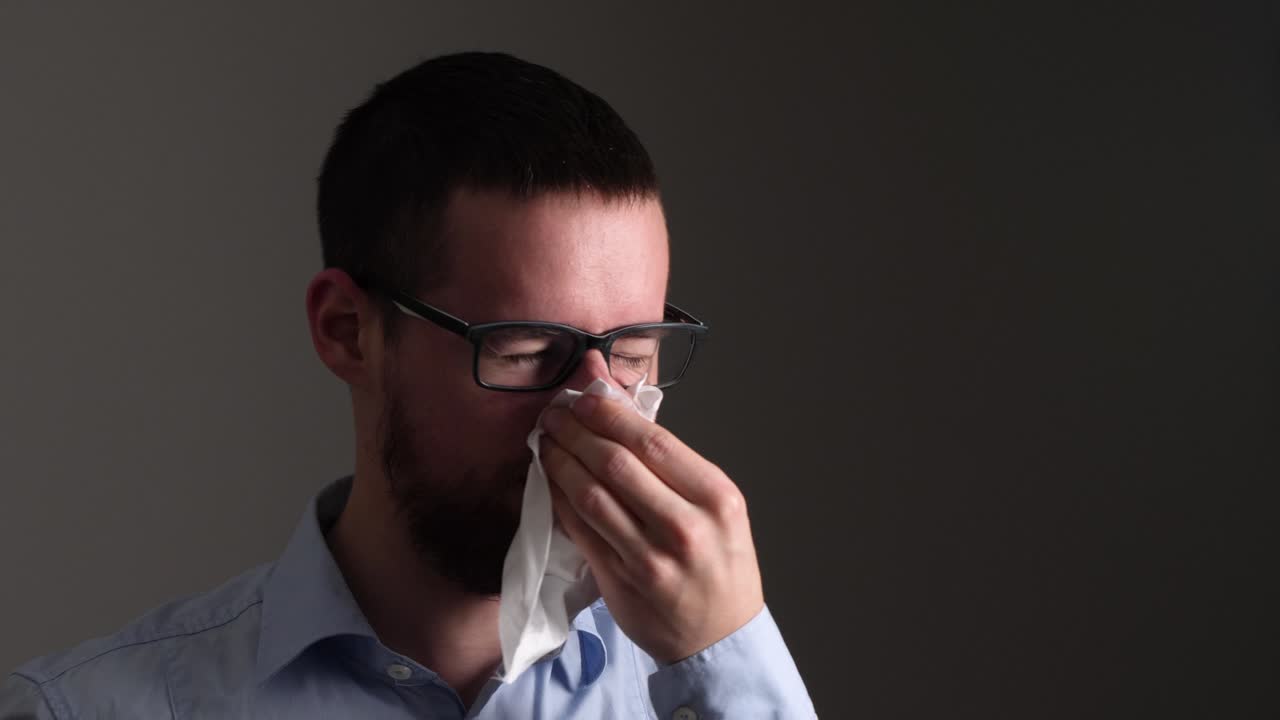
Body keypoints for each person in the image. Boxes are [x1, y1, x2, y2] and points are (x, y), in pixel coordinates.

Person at [1, 51, 815, 719]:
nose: (595, 410)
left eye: (634, 351)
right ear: (347, 332)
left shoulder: (697, 695)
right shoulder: (84, 710)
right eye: (527, 350)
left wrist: (727, 657)